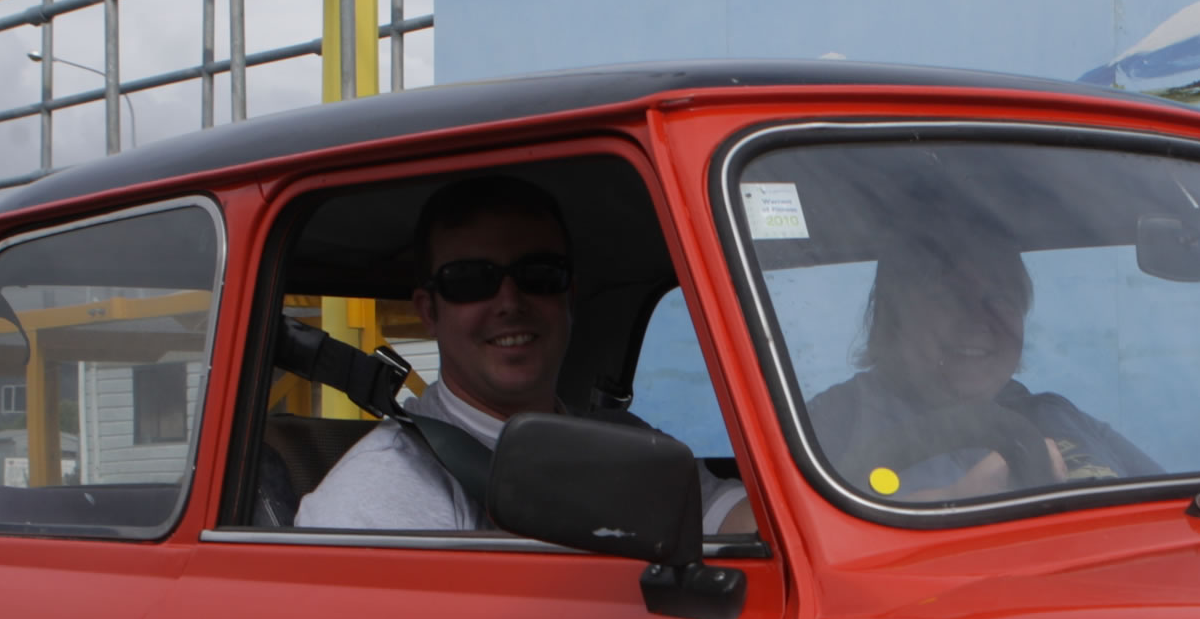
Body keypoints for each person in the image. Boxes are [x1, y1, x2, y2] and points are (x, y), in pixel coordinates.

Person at [293, 172, 751, 535]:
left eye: (539, 275)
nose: (510, 302)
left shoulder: (626, 445)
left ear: (569, 298)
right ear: (429, 311)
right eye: (471, 280)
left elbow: (727, 516)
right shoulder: (380, 493)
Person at [804, 225, 1150, 503]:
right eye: (948, 297)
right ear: (892, 317)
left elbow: (1169, 518)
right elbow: (785, 540)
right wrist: (952, 500)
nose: (978, 319)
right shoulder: (832, 421)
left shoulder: (1058, 415)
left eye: (1000, 299)